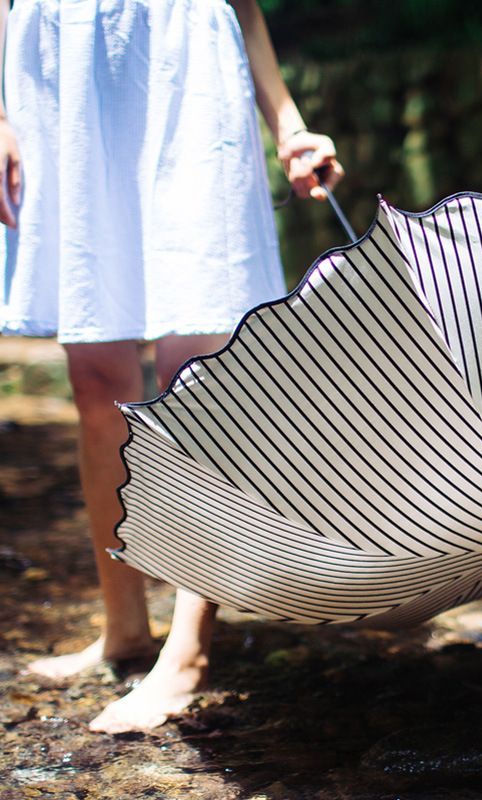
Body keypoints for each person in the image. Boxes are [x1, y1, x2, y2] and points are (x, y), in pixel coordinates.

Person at [0, 0, 343, 733]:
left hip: (182, 61)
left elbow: (242, 5)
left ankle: (187, 652)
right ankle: (124, 628)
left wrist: (286, 124)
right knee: (96, 383)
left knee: (195, 382)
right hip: (61, 73)